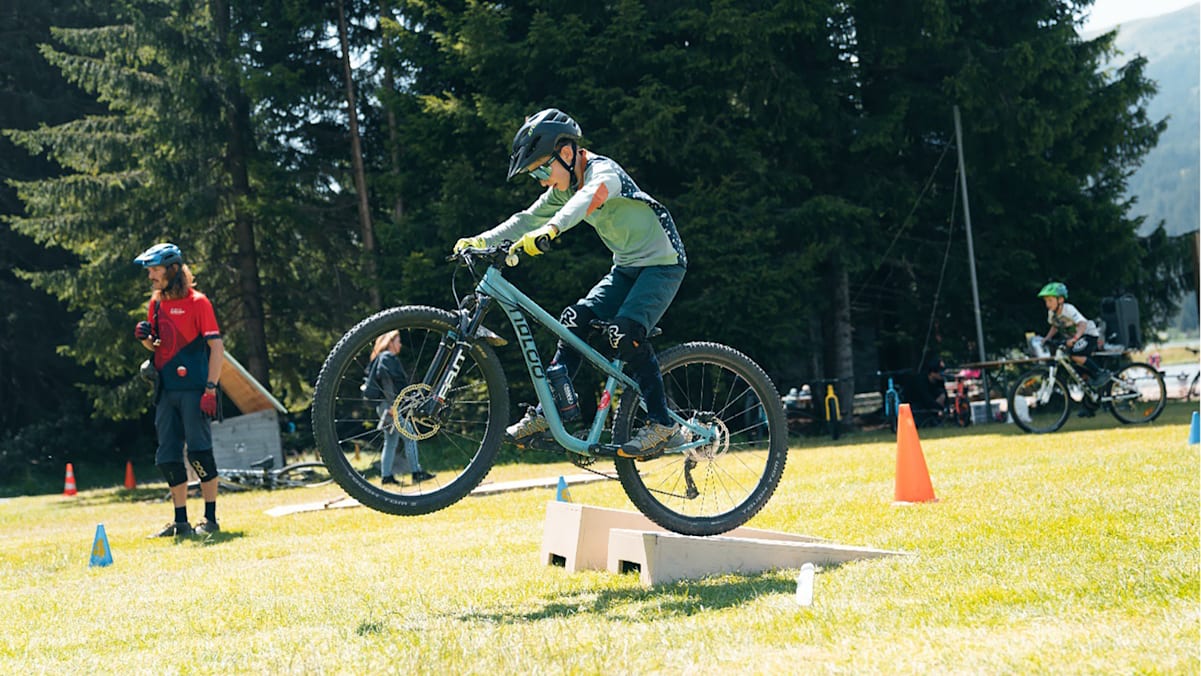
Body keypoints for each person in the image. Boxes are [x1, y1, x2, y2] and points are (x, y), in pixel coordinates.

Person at [453, 108, 687, 459]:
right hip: (626, 268)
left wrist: (551, 230)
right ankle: (550, 412)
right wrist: (480, 240)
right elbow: (526, 218)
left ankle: (663, 423)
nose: (543, 181)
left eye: (543, 170)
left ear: (566, 153)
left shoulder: (603, 174)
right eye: (536, 177)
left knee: (625, 333)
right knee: (573, 321)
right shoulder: (565, 186)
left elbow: (584, 202)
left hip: (663, 264)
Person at [133, 243, 224, 537]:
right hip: (166, 390)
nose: (151, 277)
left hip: (194, 390)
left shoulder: (199, 303)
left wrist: (210, 388)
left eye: (155, 270)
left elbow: (217, 346)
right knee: (168, 456)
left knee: (199, 453)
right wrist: (146, 339)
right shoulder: (156, 304)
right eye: (149, 271)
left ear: (173, 270)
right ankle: (181, 522)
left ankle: (210, 519)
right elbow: (158, 344)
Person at [364, 330, 435, 485]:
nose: (400, 344)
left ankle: (386, 476)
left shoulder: (380, 358)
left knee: (390, 442)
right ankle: (416, 473)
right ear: (390, 342)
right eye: (398, 341)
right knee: (410, 436)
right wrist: (392, 405)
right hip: (390, 406)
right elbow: (387, 381)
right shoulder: (387, 357)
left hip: (384, 406)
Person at [1038, 282, 1108, 416]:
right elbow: (1055, 326)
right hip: (1075, 338)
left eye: (1050, 300)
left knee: (1074, 354)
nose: (1047, 304)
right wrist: (1046, 339)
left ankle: (1100, 373)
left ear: (1060, 300)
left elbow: (1082, 324)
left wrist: (1075, 338)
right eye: (1046, 301)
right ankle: (1089, 404)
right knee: (1077, 373)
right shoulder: (1052, 314)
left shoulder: (1068, 309)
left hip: (1088, 335)